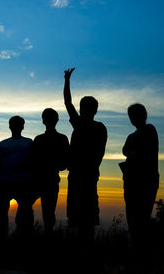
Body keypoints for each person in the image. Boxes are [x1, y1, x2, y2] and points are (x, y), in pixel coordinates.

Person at [63, 67, 107, 242]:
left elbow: (67, 103)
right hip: (90, 174)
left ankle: (82, 254)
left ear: (82, 110)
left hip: (78, 175)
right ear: (95, 110)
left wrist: (67, 80)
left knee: (78, 217)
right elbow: (100, 154)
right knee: (88, 217)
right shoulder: (100, 127)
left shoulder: (81, 125)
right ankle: (87, 250)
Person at [121, 103, 159, 248]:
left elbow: (134, 150)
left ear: (142, 116)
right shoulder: (132, 135)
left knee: (141, 219)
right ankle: (138, 250)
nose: (131, 119)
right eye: (130, 116)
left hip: (145, 182)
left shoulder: (149, 130)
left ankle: (143, 252)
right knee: (132, 218)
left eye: (133, 116)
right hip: (131, 182)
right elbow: (125, 150)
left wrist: (133, 153)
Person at [28, 108, 69, 236]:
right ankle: (40, 236)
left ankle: (30, 234)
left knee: (46, 213)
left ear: (43, 121)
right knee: (48, 213)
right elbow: (65, 163)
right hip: (45, 179)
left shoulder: (40, 139)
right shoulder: (61, 139)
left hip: (43, 179)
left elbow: (65, 163)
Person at [0, 116, 33, 238]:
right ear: (9, 126)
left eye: (18, 124)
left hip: (23, 182)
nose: (15, 126)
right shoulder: (3, 143)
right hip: (5, 182)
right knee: (2, 213)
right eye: (13, 124)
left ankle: (21, 235)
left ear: (22, 127)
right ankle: (2, 237)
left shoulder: (29, 142)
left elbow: (32, 162)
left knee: (25, 211)